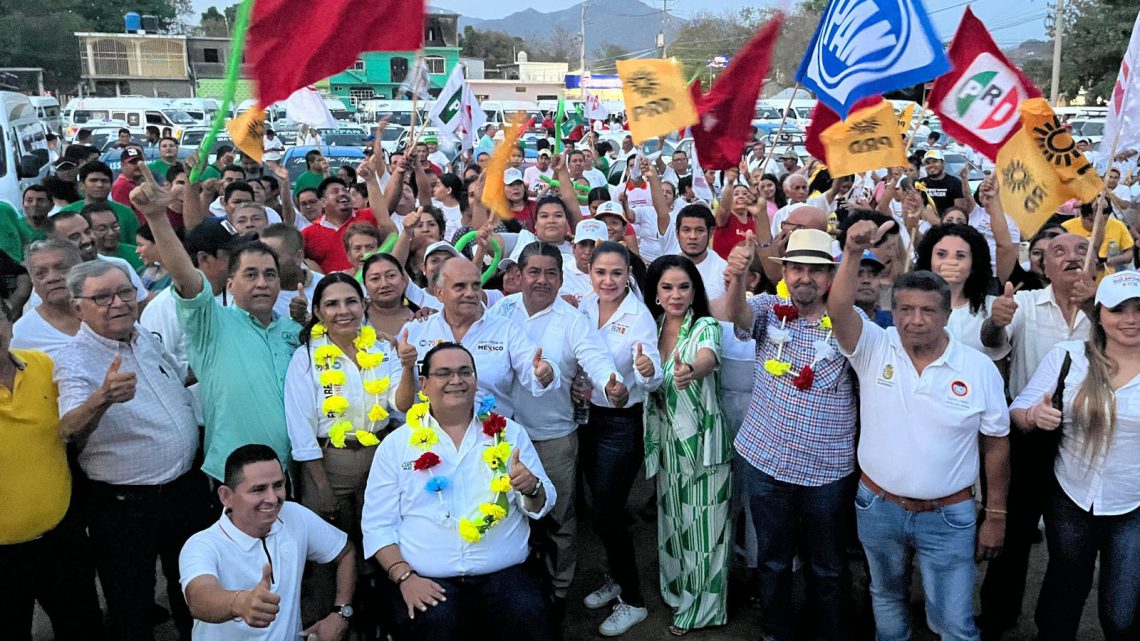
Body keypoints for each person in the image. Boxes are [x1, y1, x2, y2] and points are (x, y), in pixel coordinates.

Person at [829, 219, 1010, 641]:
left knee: (954, 622)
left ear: (947, 314)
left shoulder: (978, 369)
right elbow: (838, 310)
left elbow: (997, 446)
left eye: (928, 310)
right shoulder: (875, 345)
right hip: (878, 507)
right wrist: (853, 253)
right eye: (906, 309)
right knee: (887, 598)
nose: (915, 320)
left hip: (949, 516)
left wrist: (996, 514)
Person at [54, 259, 208, 641]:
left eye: (125, 292)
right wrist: (102, 398)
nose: (118, 303)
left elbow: (181, 375)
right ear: (78, 307)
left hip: (182, 492)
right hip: (125, 506)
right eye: (102, 297)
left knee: (193, 586)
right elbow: (68, 428)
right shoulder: (73, 361)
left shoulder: (145, 337)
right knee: (132, 603)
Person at [362, 341, 556, 641]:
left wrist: (531, 486)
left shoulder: (508, 433)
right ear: (424, 384)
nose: (456, 380)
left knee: (530, 617)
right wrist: (404, 576)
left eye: (465, 372)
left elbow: (542, 503)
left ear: (475, 380)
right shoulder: (397, 445)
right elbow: (377, 525)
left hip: (504, 573)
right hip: (426, 579)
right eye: (444, 373)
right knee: (438, 626)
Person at [720, 228, 858, 641]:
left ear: (830, 277)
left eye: (816, 270)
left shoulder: (849, 322)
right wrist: (739, 279)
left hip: (826, 469)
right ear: (786, 272)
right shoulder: (769, 307)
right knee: (774, 559)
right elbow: (739, 317)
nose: (805, 278)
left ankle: (830, 631)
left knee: (829, 562)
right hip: (768, 461)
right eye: (796, 268)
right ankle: (777, 631)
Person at [131, 170, 301, 482]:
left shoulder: (291, 331)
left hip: (290, 472)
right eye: (250, 274)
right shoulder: (212, 324)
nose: (262, 283)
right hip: (231, 476)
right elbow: (185, 276)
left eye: (270, 274)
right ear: (230, 283)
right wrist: (157, 218)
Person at [487, 242, 626, 621]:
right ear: (518, 274)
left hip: (553, 436)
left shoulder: (572, 320)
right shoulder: (501, 311)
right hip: (499, 439)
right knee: (502, 515)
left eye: (551, 273)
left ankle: (559, 588)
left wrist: (610, 383)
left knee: (558, 519)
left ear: (561, 278)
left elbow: (595, 358)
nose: (542, 280)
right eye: (534, 272)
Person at [976, 232, 1097, 637]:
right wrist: (996, 322)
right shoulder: (1024, 304)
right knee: (1013, 534)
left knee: (1070, 542)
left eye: (1082, 249)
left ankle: (1055, 625)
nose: (1071, 257)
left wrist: (1095, 307)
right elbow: (993, 343)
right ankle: (997, 617)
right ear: (1042, 265)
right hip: (1028, 431)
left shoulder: (1111, 310)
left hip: (1085, 440)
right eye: (1058, 251)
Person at [1011, 270, 1140, 641]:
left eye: (1138, 309)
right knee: (1064, 591)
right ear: (1099, 313)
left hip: (1132, 504)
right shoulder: (1068, 357)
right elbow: (1018, 411)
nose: (1129, 319)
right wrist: (1035, 415)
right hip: (1071, 496)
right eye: (1119, 309)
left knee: (1122, 614)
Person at [285, 273, 400, 628]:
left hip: (379, 459)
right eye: (332, 304)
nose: (343, 310)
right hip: (328, 465)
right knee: (329, 555)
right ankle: (327, 626)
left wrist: (408, 366)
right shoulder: (306, 358)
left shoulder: (381, 349)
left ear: (363, 306)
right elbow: (301, 427)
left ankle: (380, 624)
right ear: (318, 312)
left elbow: (398, 401)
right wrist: (321, 487)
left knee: (379, 547)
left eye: (350, 301)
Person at [0, 298, 107, 641]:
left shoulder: (43, 365)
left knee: (83, 629)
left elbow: (73, 427)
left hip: (61, 542)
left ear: (10, 323)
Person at [180, 444, 356, 641]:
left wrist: (341, 613)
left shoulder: (294, 515)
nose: (273, 498)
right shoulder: (202, 545)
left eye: (278, 485)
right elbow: (199, 598)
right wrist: (240, 603)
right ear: (226, 496)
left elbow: (346, 552)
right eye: (259, 489)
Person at [577, 241, 662, 636]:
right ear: (589, 273)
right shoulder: (583, 306)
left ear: (629, 273)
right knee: (600, 507)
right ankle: (615, 577)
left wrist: (645, 370)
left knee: (610, 511)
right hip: (588, 419)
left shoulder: (639, 316)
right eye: (600, 273)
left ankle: (634, 600)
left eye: (616, 272)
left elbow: (652, 374)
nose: (608, 280)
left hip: (622, 423)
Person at [643, 255, 730, 634]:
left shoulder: (706, 325)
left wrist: (691, 370)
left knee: (706, 533)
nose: (676, 294)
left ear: (695, 291)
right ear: (656, 295)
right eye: (667, 287)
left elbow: (708, 357)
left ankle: (704, 611)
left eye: (683, 286)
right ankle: (679, 593)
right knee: (675, 527)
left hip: (705, 446)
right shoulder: (653, 327)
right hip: (667, 447)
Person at [396, 257, 559, 417]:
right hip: (429, 438)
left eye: (475, 286)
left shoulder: (505, 329)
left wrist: (545, 372)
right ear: (439, 293)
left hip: (493, 437)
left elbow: (534, 367)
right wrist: (407, 367)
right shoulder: (414, 331)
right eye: (460, 287)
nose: (470, 293)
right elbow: (401, 403)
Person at [915, 223, 1009, 360]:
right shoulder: (912, 307)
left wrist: (995, 322)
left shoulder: (992, 306)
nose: (951, 261)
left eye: (960, 256)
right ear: (929, 259)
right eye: (941, 254)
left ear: (974, 263)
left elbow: (995, 345)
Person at [302, 177, 388, 274]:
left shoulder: (368, 215)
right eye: (335, 192)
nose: (342, 193)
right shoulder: (308, 234)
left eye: (345, 190)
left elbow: (389, 206)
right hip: (336, 287)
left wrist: (371, 178)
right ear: (323, 202)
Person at [11, 241, 82, 356]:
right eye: (40, 273)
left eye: (61, 268)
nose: (52, 278)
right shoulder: (20, 335)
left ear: (80, 269)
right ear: (32, 280)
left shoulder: (107, 310)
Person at [59, 160, 140, 245]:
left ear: (111, 185)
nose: (99, 185)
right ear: (81, 185)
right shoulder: (68, 212)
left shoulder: (126, 213)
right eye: (93, 180)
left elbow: (136, 245)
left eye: (104, 181)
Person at [259, 223, 322, 323]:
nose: (266, 264)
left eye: (274, 257)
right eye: (262, 256)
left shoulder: (326, 287)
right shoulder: (257, 294)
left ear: (299, 257)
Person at [1062, 200, 1135, 272]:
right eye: (1091, 220)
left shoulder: (1118, 225)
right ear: (1082, 216)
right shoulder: (1065, 228)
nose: (1096, 225)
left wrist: (1112, 261)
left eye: (1104, 220)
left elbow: (1129, 252)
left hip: (1109, 277)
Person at [675, 204, 729, 300]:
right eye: (686, 230)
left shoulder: (724, 271)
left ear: (711, 232)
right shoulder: (666, 267)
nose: (692, 236)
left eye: (699, 230)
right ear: (677, 233)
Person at [86, 203, 144, 272]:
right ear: (88, 232)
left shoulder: (138, 255)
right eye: (102, 229)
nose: (111, 233)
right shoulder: (84, 260)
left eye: (115, 226)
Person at [918, 150, 967, 214]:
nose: (931, 165)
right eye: (928, 163)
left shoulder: (955, 183)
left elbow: (959, 211)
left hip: (947, 223)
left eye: (935, 161)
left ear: (943, 163)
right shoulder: (920, 183)